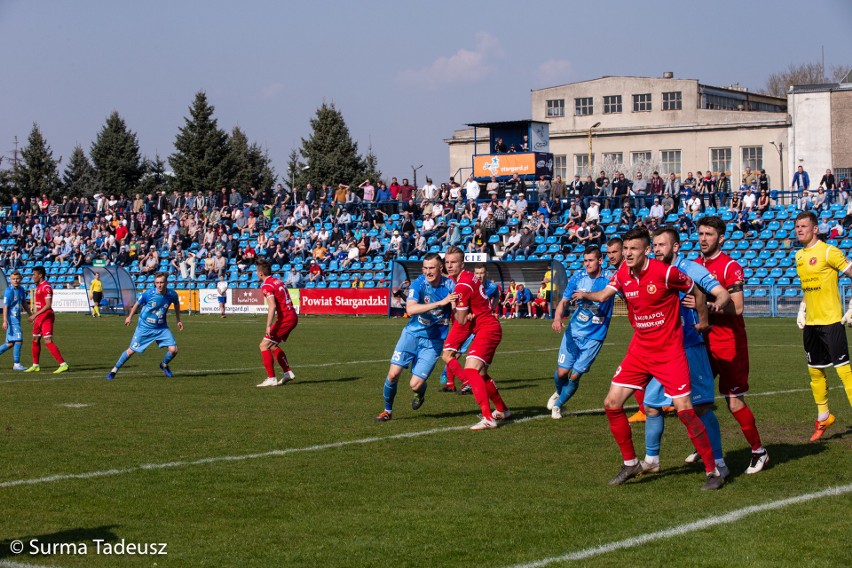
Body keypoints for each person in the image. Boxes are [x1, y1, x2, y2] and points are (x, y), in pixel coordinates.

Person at [573, 228, 725, 490]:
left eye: (634, 249)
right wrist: (584, 295)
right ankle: (631, 462)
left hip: (669, 352)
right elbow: (604, 295)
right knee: (611, 403)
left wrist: (703, 321)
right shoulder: (622, 273)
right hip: (640, 351)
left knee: (685, 410)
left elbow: (698, 291)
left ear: (645, 251)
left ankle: (713, 471)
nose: (628, 253)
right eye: (626, 249)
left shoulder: (665, 272)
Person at [640, 228, 732, 479]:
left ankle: (720, 462)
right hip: (665, 350)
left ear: (676, 247)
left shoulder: (690, 269)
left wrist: (709, 308)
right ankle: (651, 460)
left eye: (662, 245)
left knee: (700, 407)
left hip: (690, 348)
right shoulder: (653, 271)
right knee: (651, 405)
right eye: (655, 245)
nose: (657, 249)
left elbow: (722, 294)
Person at [696, 216, 768, 474]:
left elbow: (737, 307)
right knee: (698, 400)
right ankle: (708, 446)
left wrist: (706, 307)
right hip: (701, 343)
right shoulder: (694, 266)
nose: (703, 238)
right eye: (701, 233)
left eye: (709, 234)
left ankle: (759, 451)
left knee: (734, 402)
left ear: (721, 238)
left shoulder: (730, 266)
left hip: (729, 343)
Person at [374, 254, 456, 422]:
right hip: (411, 334)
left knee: (415, 385)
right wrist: (439, 303)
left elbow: (456, 309)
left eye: (431, 268)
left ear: (440, 268)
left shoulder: (450, 285)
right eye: (425, 268)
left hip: (433, 341)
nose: (427, 271)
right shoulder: (419, 283)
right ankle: (387, 410)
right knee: (393, 374)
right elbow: (410, 309)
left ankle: (420, 393)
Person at [793, 211, 852, 440]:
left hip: (830, 322)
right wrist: (802, 308)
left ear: (815, 228)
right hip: (811, 324)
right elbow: (807, 287)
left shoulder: (829, 251)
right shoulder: (798, 255)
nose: (800, 230)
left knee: (844, 372)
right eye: (797, 226)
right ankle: (823, 416)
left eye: (804, 226)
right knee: (815, 372)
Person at [443, 247, 511, 429]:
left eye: (454, 262)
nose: (449, 266)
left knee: (471, 370)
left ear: (462, 264)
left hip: (486, 328)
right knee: (480, 373)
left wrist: (453, 305)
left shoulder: (462, 286)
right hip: (487, 327)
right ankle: (502, 409)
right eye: (447, 262)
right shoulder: (468, 277)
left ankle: (488, 418)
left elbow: (462, 319)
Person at [547, 246, 614, 419]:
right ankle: (558, 393)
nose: (587, 264)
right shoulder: (578, 277)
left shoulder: (610, 278)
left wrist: (585, 295)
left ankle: (558, 405)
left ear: (600, 261)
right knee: (562, 373)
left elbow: (606, 296)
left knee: (575, 375)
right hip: (574, 332)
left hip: (595, 336)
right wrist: (557, 318)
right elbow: (563, 301)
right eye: (585, 260)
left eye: (591, 260)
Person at [106, 272, 182, 380]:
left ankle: (164, 365)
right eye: (157, 283)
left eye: (161, 282)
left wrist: (178, 320)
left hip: (161, 328)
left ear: (166, 282)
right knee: (131, 351)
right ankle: (114, 370)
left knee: (174, 350)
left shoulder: (172, 294)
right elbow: (137, 304)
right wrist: (130, 317)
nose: (159, 285)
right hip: (144, 328)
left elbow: (177, 304)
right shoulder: (149, 294)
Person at [439, 264, 499, 393]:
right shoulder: (468, 282)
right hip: (465, 320)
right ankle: (451, 382)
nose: (479, 275)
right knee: (454, 352)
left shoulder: (492, 287)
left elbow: (495, 298)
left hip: (478, 323)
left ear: (486, 274)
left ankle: (470, 382)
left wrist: (491, 309)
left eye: (482, 273)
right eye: (477, 273)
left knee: (457, 354)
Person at [256, 260, 299, 387]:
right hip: (291, 316)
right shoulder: (278, 281)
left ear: (260, 273)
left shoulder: (267, 285)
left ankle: (271, 378)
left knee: (263, 345)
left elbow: (272, 306)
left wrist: (268, 325)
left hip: (286, 318)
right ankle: (287, 372)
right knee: (272, 345)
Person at [24, 266, 69, 374]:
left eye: (34, 274)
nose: (32, 276)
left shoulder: (46, 287)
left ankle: (63, 364)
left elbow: (48, 305)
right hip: (40, 317)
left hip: (46, 316)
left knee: (47, 340)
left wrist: (34, 315)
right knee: (35, 339)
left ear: (40, 275)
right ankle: (35, 365)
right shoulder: (38, 286)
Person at [0, 270, 30, 370]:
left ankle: (16, 364)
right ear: (10, 279)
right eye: (13, 279)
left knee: (10, 343)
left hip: (17, 319)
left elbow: (24, 303)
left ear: (21, 279)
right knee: (19, 340)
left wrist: (31, 314)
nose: (15, 280)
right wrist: (4, 321)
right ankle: (16, 364)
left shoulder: (21, 289)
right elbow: (5, 307)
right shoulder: (9, 291)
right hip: (11, 320)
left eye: (17, 278)